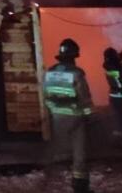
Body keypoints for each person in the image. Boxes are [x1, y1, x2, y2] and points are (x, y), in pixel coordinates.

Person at [44, 38, 93, 193]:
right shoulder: (76, 74)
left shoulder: (50, 72)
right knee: (80, 153)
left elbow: (46, 95)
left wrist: (54, 110)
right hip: (75, 116)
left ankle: (47, 183)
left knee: (58, 150)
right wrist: (89, 115)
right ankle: (80, 186)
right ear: (74, 56)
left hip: (57, 117)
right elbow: (85, 99)